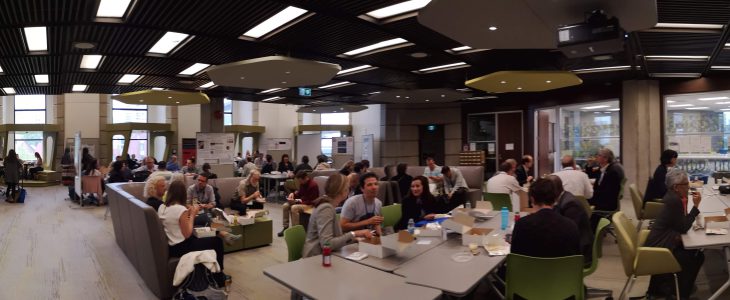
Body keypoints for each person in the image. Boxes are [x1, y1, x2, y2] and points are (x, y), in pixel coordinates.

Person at [157, 180, 235, 287]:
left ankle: (223, 233)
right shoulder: (180, 209)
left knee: (204, 220)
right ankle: (219, 277)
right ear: (182, 194)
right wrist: (192, 214)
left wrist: (189, 212)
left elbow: (176, 221)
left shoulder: (163, 207)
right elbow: (187, 234)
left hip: (172, 245)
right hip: (181, 246)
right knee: (216, 242)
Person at [645, 169, 704, 299]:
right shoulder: (673, 201)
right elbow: (683, 227)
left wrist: (687, 202)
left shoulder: (672, 197)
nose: (689, 186)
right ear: (676, 187)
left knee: (694, 253)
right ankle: (681, 293)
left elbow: (681, 220)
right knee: (695, 256)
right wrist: (695, 207)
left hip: (659, 242)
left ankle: (676, 288)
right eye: (686, 184)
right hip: (660, 247)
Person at [302, 174, 373, 258]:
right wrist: (354, 233)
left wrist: (353, 239)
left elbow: (334, 237)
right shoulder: (326, 208)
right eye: (347, 187)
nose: (348, 189)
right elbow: (327, 243)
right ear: (342, 191)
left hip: (324, 255)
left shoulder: (329, 205)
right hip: (315, 258)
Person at [510, 178, 581, 258]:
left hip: (530, 269)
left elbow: (515, 256)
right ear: (555, 199)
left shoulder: (521, 225)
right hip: (561, 270)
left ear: (532, 199)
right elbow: (574, 257)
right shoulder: (570, 225)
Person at [547, 175, 593, 266]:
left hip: (578, 253)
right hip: (573, 246)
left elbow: (568, 233)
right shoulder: (563, 198)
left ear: (552, 191)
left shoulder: (570, 204)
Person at [278, 171, 320, 237]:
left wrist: (297, 201)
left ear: (305, 178)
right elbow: (299, 193)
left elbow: (312, 201)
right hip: (302, 202)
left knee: (294, 208)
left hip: (310, 205)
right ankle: (285, 227)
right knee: (285, 206)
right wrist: (293, 194)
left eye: (300, 181)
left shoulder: (313, 185)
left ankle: (296, 230)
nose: (300, 183)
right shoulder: (303, 184)